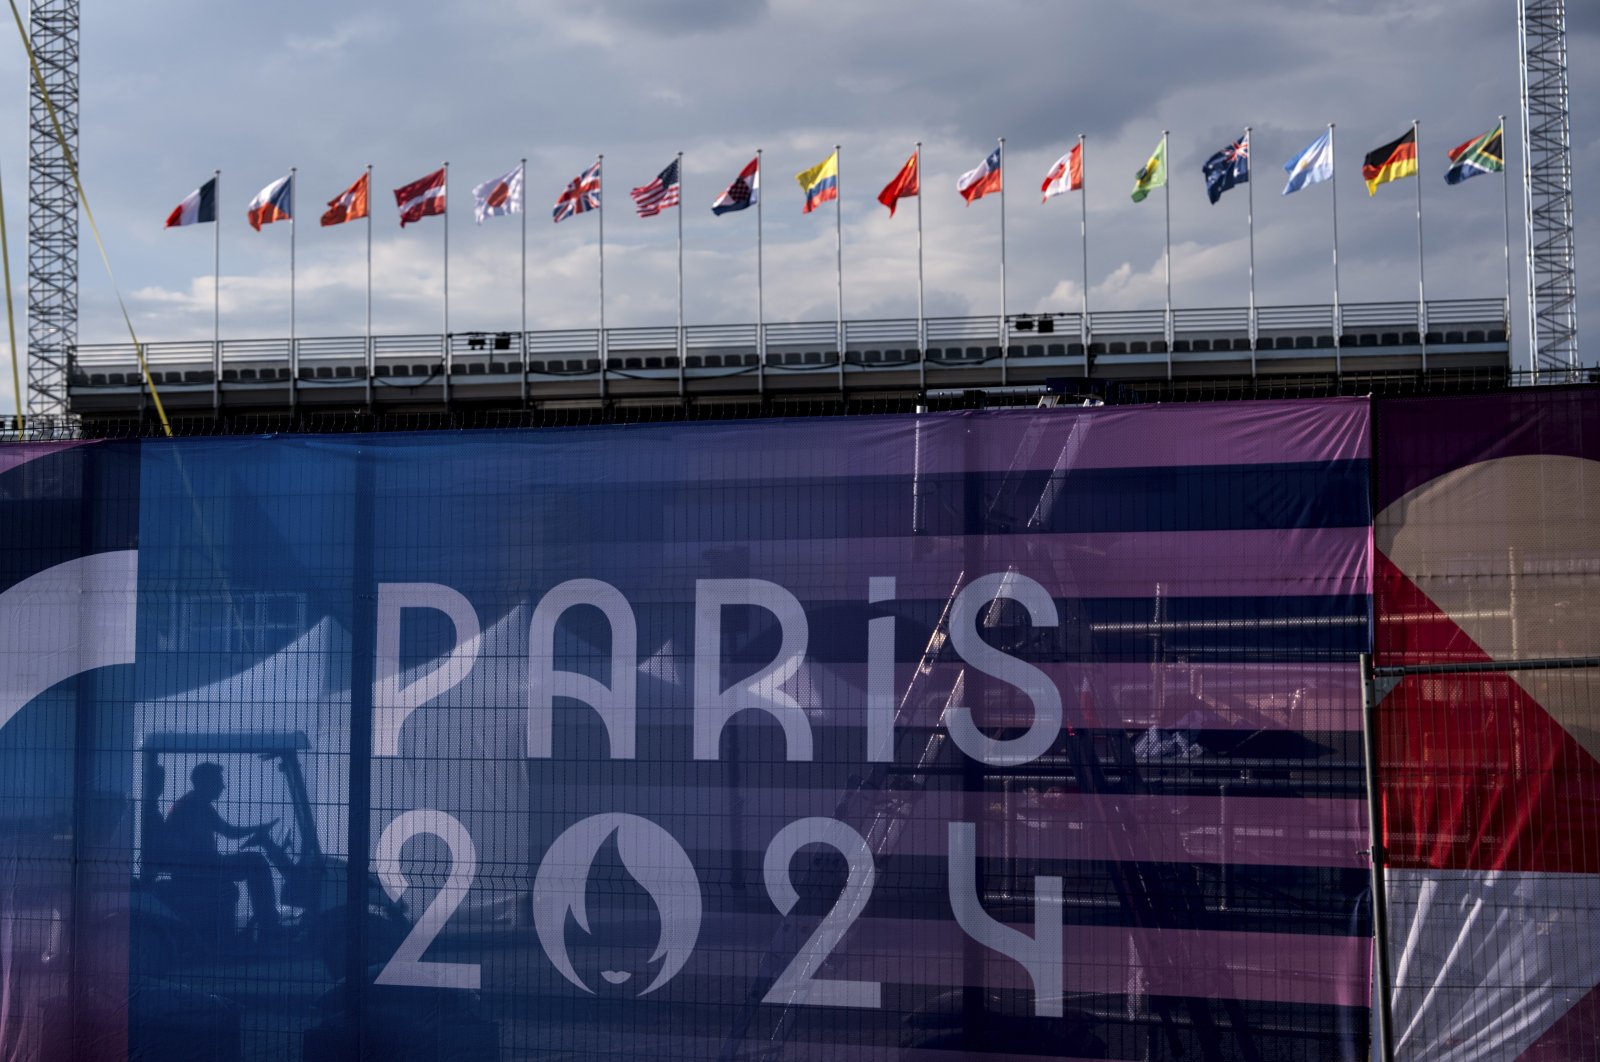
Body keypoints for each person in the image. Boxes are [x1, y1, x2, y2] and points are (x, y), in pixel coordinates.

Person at [163, 762, 283, 940]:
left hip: (202, 865)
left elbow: (228, 831)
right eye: (218, 781)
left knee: (253, 860)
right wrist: (259, 829)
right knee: (256, 862)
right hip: (200, 870)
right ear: (206, 782)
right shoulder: (192, 807)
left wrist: (259, 829)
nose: (223, 786)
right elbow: (228, 832)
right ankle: (269, 925)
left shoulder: (195, 804)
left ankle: (266, 920)